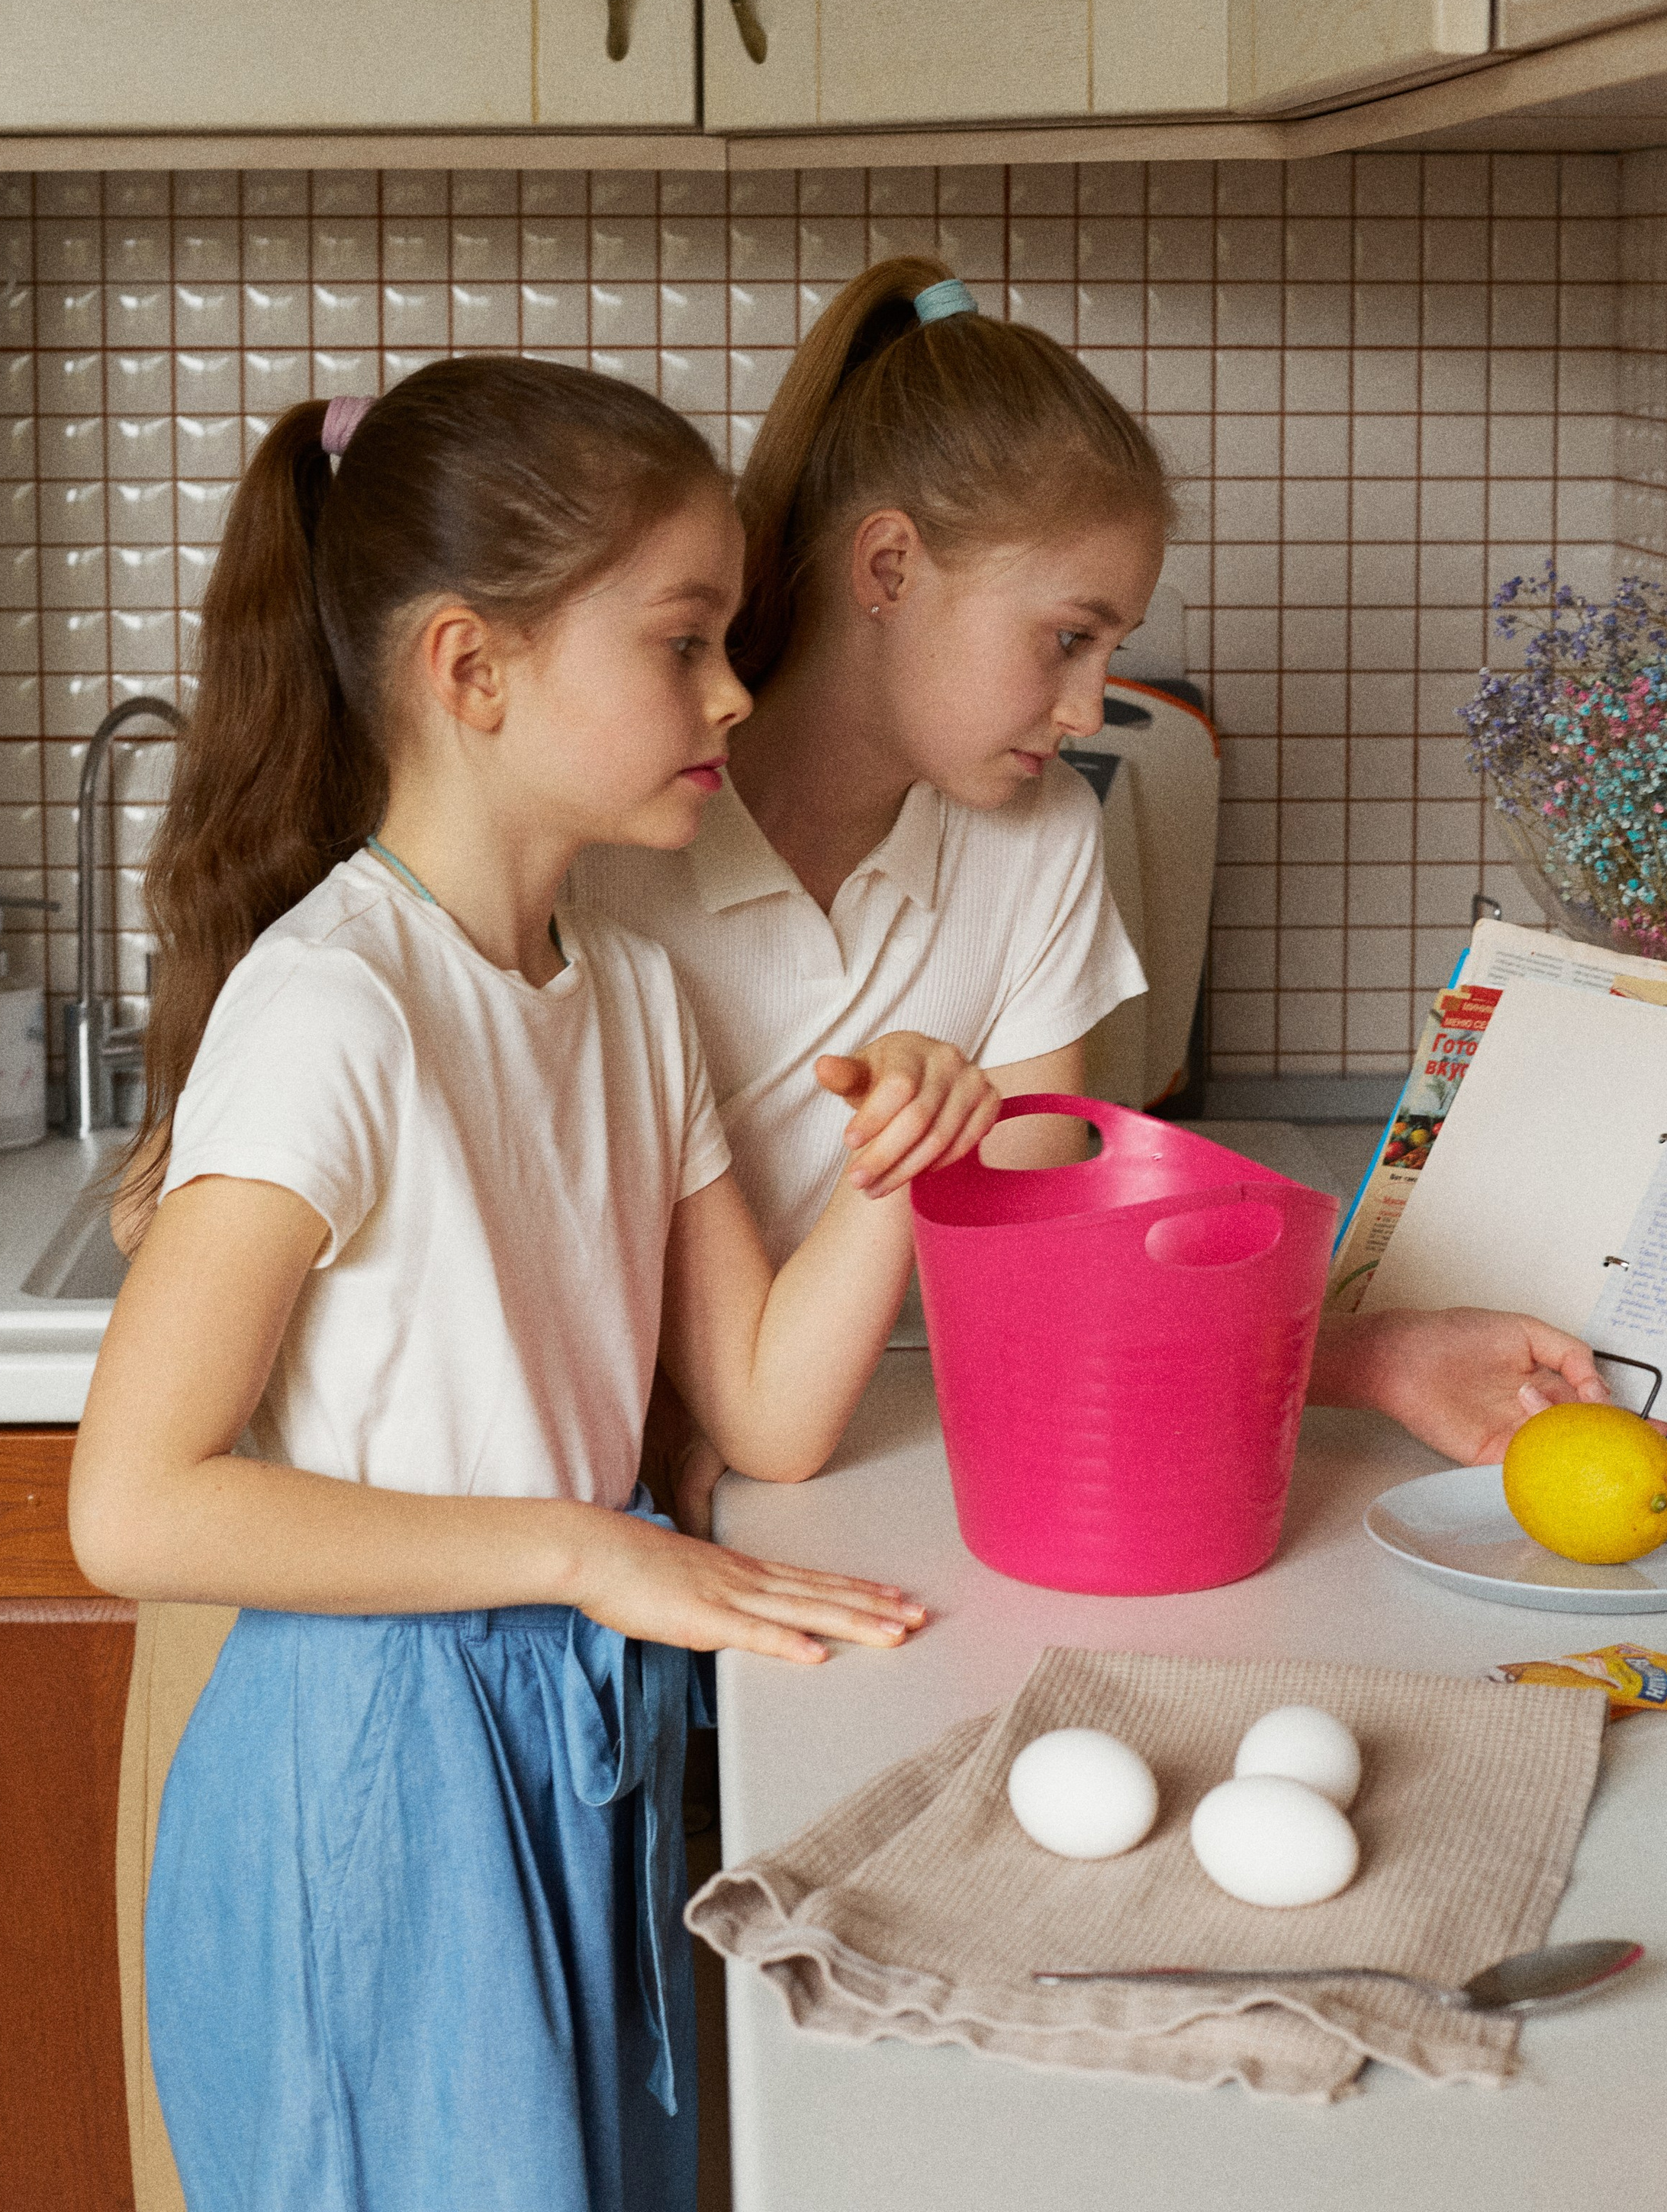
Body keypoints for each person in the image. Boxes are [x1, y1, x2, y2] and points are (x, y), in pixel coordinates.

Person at [71, 357, 1002, 2212]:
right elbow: (133, 1507)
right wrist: (587, 1551)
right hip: (378, 1777)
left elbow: (763, 1407)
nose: (732, 692)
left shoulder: (630, 996)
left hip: (566, 1739)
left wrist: (904, 1159)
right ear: (470, 669)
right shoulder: (335, 1008)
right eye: (680, 641)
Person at [567, 258, 1610, 1535]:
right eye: (1069, 638)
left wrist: (1373, 1359)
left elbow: (1045, 1252)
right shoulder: (616, 834)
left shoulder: (1043, 832)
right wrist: (658, 1396)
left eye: (1109, 650)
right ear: (887, 568)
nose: (1087, 707)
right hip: (634, 1481)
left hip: (909, 1434)